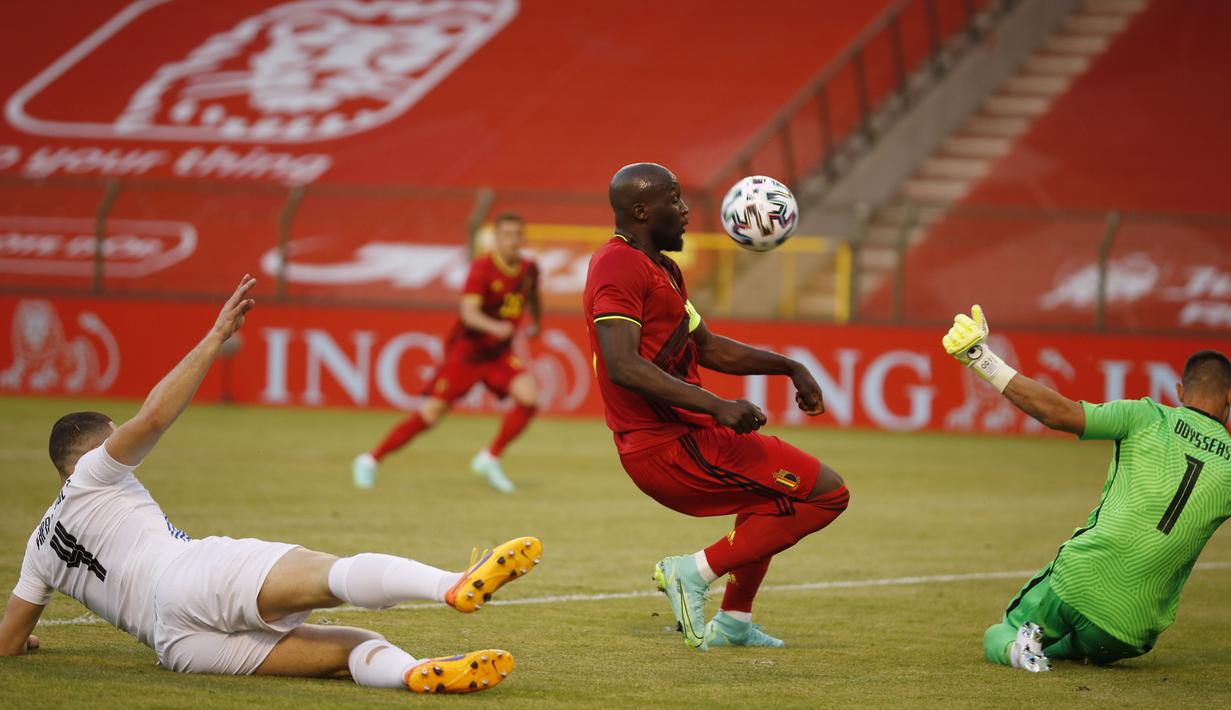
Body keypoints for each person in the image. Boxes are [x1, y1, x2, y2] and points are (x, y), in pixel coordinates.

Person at [0, 275, 543, 695]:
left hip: (178, 645)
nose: (120, 448)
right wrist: (215, 336)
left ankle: (413, 674)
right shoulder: (95, 473)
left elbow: (7, 643)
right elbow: (152, 418)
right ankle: (452, 582)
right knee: (332, 574)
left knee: (348, 649)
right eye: (110, 441)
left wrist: (28, 640)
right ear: (82, 459)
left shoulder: (39, 546)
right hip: (191, 577)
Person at [582, 163, 850, 651]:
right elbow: (621, 364)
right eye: (675, 200)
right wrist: (716, 405)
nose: (685, 211)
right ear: (642, 211)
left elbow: (705, 346)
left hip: (686, 439)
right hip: (669, 445)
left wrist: (790, 366)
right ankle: (693, 571)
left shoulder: (662, 268)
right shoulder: (617, 265)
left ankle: (734, 622)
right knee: (827, 495)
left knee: (769, 500)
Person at [942, 305, 1231, 672]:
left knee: (1002, 632)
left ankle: (1020, 649)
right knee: (1071, 645)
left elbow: (1058, 413)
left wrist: (980, 358)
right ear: (1229, 397)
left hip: (1079, 581)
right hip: (1130, 630)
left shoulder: (1146, 416)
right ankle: (1050, 648)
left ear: (1179, 391)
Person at [353, 212, 542, 493]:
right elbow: (468, 313)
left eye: (518, 234)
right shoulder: (482, 268)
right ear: (496, 238)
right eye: (508, 234)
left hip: (498, 355)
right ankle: (370, 459)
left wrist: (536, 322)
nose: (514, 240)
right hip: (468, 353)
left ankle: (489, 458)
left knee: (529, 397)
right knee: (430, 415)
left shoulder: (529, 269)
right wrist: (496, 326)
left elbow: (534, 296)